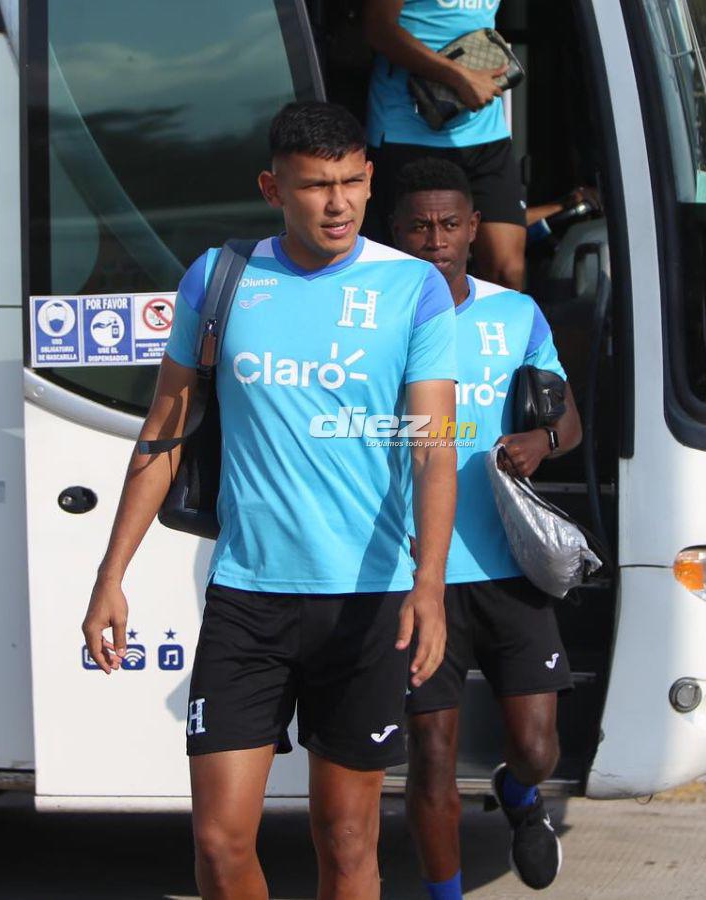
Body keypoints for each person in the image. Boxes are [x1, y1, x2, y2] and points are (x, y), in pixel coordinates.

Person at [81, 102, 459, 900]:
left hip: (368, 602)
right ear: (272, 187)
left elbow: (434, 449)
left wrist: (429, 582)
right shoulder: (218, 279)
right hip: (248, 599)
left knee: (347, 838)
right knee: (219, 843)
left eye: (353, 182)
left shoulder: (412, 288)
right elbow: (165, 431)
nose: (339, 204)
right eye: (317, 186)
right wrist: (111, 573)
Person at [389, 157, 582, 898]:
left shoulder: (516, 314)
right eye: (418, 226)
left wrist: (542, 441)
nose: (435, 239)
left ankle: (522, 795)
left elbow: (566, 417)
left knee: (537, 747)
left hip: (509, 566)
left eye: (448, 224)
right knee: (431, 755)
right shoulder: (378, 317)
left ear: (474, 228)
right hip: (416, 576)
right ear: (395, 232)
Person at [364, 0, 528, 291]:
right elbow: (378, 28)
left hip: (485, 131)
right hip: (407, 132)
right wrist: (457, 76)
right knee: (418, 276)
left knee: (507, 273)